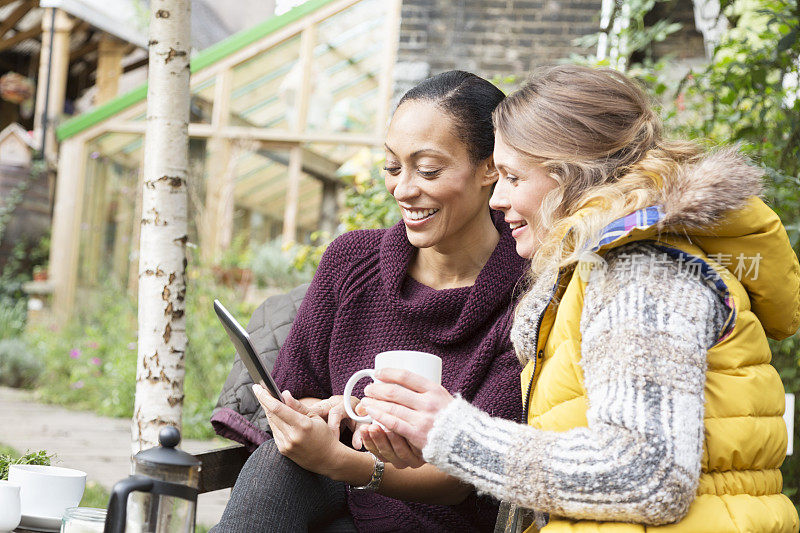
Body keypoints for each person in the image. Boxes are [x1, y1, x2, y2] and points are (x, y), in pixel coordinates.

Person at [358, 64, 800, 532]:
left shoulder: (640, 275)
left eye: (511, 176)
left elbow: (646, 475)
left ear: (569, 175)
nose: (496, 199)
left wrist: (451, 432)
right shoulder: (601, 270)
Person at [211, 70, 529, 532]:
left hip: (444, 519)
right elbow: (293, 394)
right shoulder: (352, 262)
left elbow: (466, 476)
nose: (403, 189)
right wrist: (329, 409)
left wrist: (343, 462)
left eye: (429, 170)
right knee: (276, 463)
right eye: (393, 167)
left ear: (490, 169)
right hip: (332, 500)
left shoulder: (525, 297)